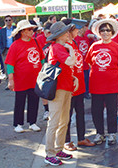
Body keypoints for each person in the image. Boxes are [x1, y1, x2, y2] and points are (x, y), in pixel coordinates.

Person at [85, 19, 118, 145]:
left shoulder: (117, 47)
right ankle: (99, 133)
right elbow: (90, 62)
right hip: (96, 84)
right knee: (96, 110)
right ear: (99, 33)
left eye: (108, 30)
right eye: (102, 30)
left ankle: (112, 133)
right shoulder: (94, 46)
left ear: (112, 32)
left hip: (112, 85)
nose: (105, 32)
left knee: (112, 110)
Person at [44, 21, 77, 166]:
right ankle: (50, 153)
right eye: (66, 32)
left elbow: (65, 66)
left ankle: (57, 149)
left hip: (64, 86)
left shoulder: (58, 47)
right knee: (56, 121)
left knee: (63, 121)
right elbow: (70, 61)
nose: (69, 34)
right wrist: (71, 49)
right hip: (59, 88)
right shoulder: (58, 47)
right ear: (60, 35)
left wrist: (73, 77)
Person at [61, 18, 95, 151]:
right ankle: (66, 140)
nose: (78, 30)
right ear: (68, 31)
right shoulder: (62, 46)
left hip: (79, 85)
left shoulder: (74, 43)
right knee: (67, 115)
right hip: (68, 86)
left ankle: (81, 138)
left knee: (80, 112)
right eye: (75, 29)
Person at [5, 20, 44, 133]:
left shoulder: (36, 42)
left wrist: (43, 72)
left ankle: (32, 122)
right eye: (29, 29)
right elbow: (10, 64)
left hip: (35, 79)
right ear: (22, 32)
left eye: (32, 29)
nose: (32, 31)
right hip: (21, 79)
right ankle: (18, 123)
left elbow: (41, 58)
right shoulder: (15, 45)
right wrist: (11, 80)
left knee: (34, 101)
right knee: (20, 102)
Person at [36, 22, 53, 121]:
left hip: (53, 68)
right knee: (43, 91)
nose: (48, 35)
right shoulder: (39, 39)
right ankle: (46, 110)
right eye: (47, 32)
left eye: (50, 32)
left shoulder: (55, 40)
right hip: (42, 68)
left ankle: (52, 110)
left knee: (52, 90)